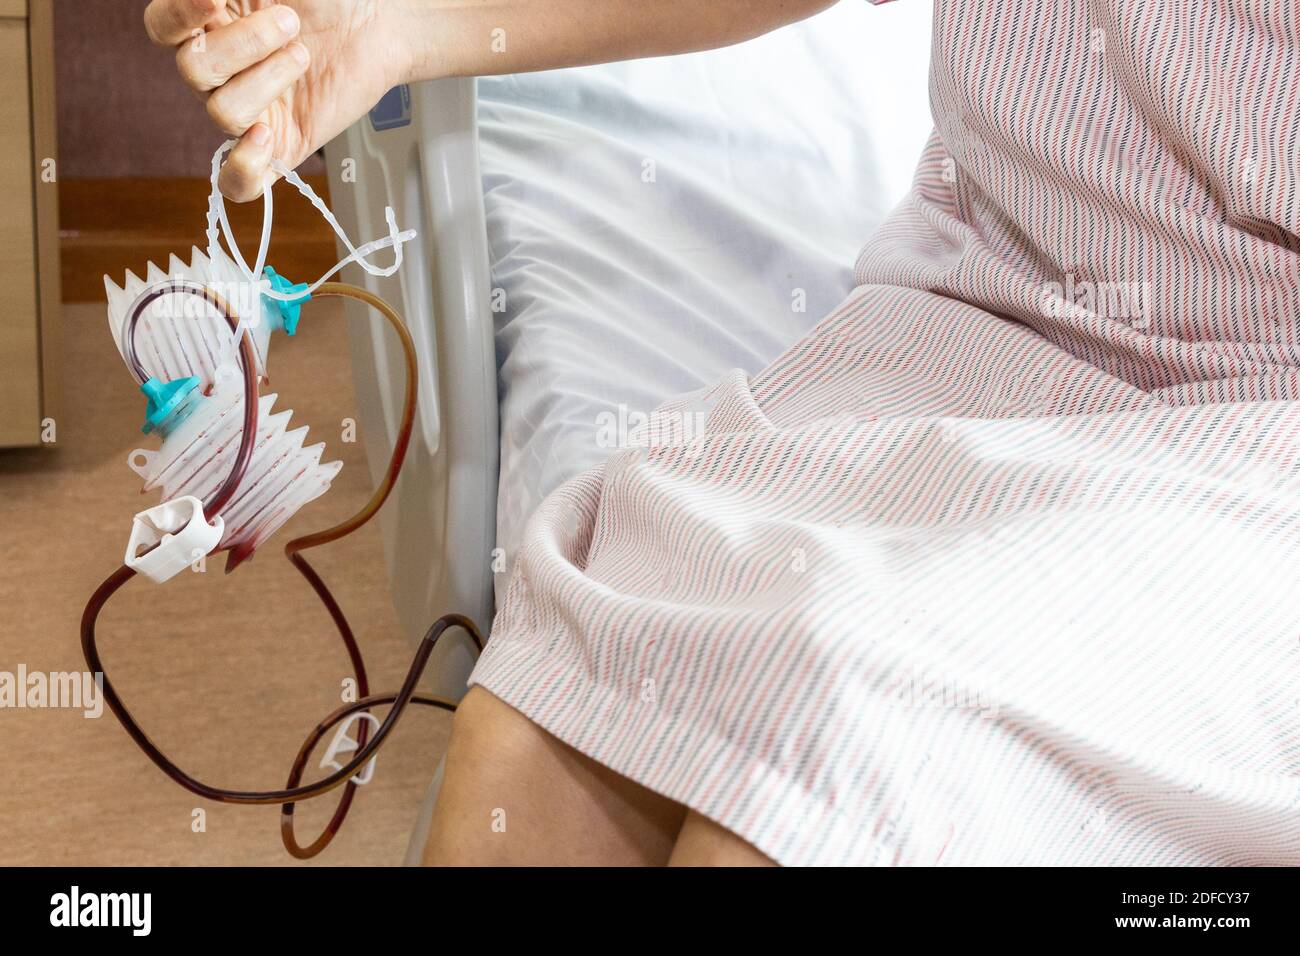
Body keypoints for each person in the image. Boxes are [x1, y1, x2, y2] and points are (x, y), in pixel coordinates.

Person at [144, 0, 1300, 867]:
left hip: (1250, 428)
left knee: (813, 756)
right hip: (973, 309)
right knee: (528, 741)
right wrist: (398, 26)